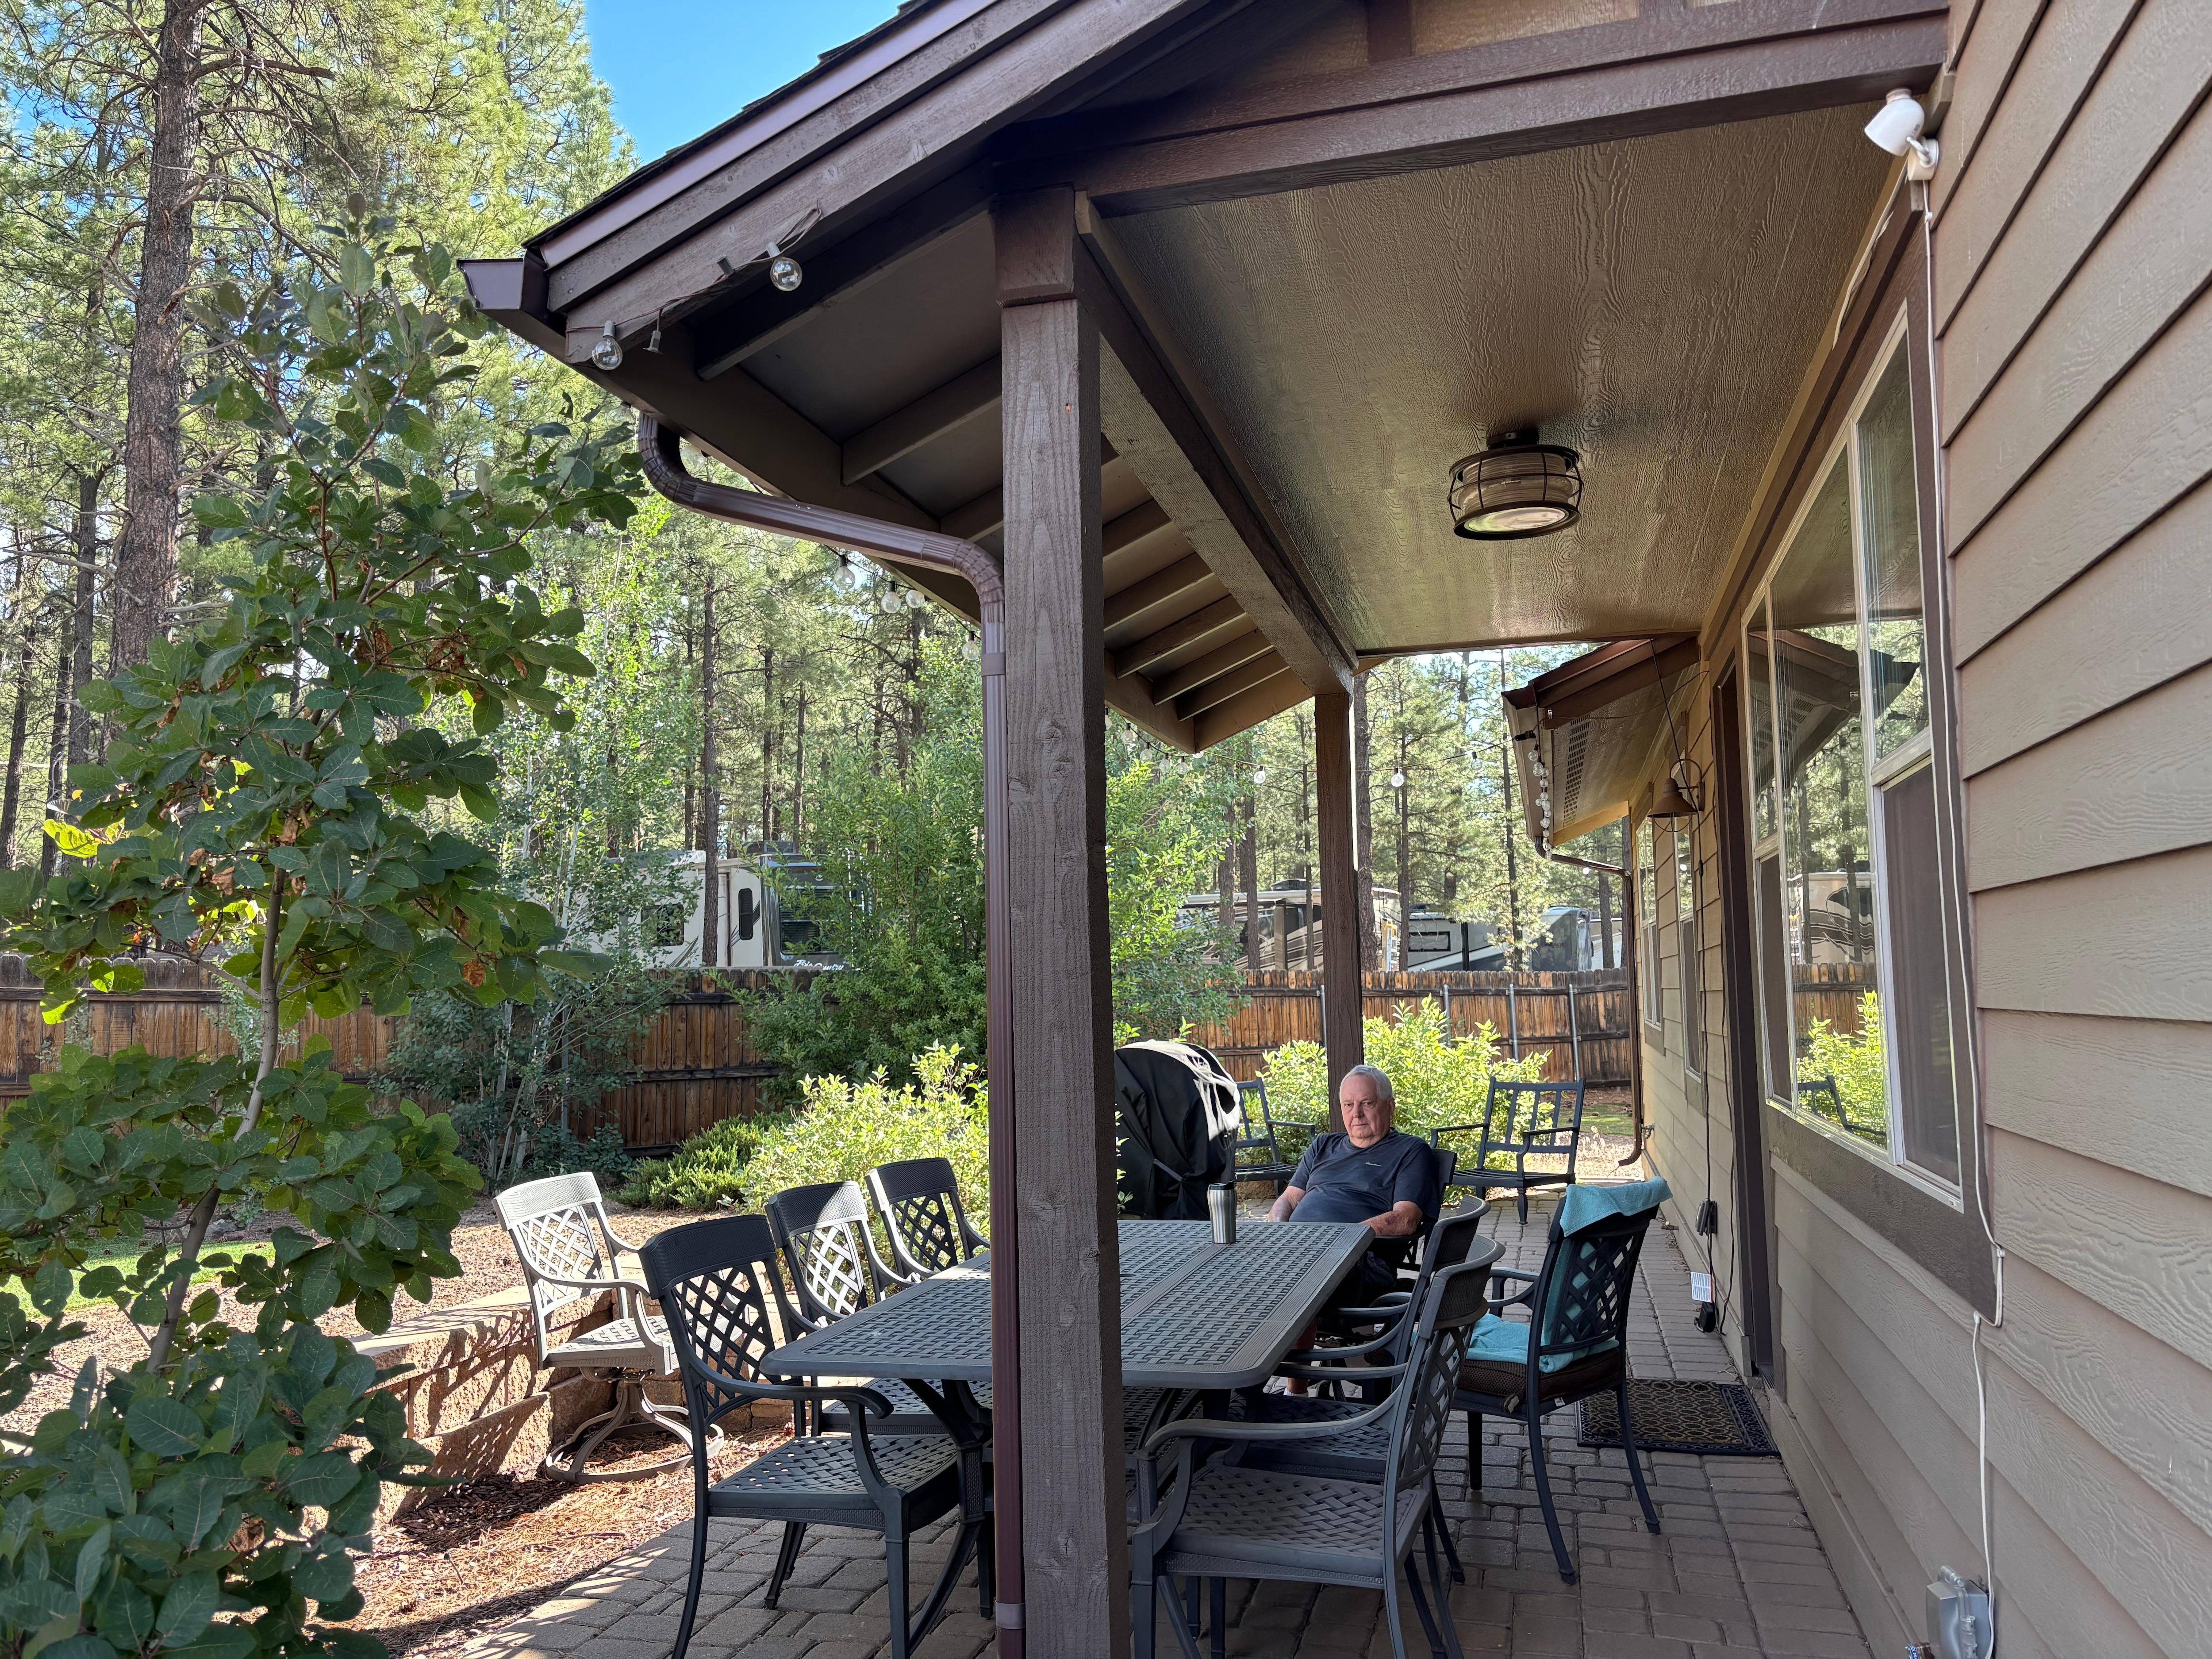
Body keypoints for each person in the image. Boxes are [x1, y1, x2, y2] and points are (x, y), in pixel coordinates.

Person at [1271, 1063, 1441, 1308]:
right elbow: (1288, 1199)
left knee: (1285, 1282)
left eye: (1367, 1103)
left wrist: (1340, 1240)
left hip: (1359, 1261)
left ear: (1390, 1107)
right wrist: (1277, 1235)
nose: (1357, 1113)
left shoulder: (1410, 1151)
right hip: (1300, 1249)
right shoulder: (1323, 1146)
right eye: (1348, 1105)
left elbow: (1405, 1219)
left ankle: (1287, 1330)